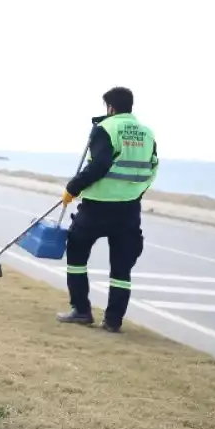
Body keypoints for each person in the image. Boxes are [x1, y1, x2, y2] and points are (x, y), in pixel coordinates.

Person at [57, 86, 158, 332]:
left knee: (77, 254)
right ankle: (113, 321)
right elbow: (153, 168)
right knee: (122, 266)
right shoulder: (147, 133)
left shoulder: (106, 128)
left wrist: (73, 188)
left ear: (110, 107)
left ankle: (82, 311)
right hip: (129, 209)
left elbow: (99, 165)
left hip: (97, 207)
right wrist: (136, 193)